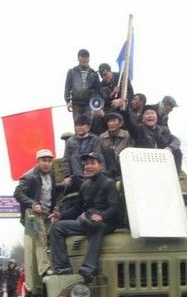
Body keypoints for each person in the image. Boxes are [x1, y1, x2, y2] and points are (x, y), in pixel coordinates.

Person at [49, 152, 121, 283]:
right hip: (87, 220)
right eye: (86, 164)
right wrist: (61, 215)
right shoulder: (85, 185)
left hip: (105, 222)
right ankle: (63, 267)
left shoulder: (109, 183)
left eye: (92, 163)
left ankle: (89, 267)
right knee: (56, 228)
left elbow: (115, 207)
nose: (88, 166)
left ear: (101, 166)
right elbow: (77, 209)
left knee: (95, 226)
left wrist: (102, 216)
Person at [14, 148, 61, 276]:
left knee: (52, 238)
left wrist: (65, 184)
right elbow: (17, 193)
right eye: (44, 160)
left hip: (46, 214)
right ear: (38, 161)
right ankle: (44, 270)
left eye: (49, 161)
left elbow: (51, 189)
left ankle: (56, 265)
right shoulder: (29, 177)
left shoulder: (51, 174)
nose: (47, 163)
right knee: (40, 240)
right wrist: (33, 204)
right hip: (32, 214)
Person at [129, 105, 182, 172]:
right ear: (142, 118)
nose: (150, 115)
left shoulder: (164, 130)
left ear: (157, 118)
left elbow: (176, 140)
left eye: (152, 113)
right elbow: (128, 121)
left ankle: (175, 174)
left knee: (177, 151)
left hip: (161, 162)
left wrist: (170, 148)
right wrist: (124, 108)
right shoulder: (138, 129)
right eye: (147, 114)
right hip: (144, 162)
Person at [63, 117, 101, 187]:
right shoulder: (69, 141)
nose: (79, 127)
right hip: (76, 175)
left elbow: (97, 155)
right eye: (77, 125)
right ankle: (82, 183)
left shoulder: (95, 139)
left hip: (91, 170)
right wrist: (67, 176)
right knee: (74, 157)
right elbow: (66, 159)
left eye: (82, 125)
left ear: (88, 127)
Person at [64, 48, 100, 122]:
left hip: (89, 104)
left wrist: (95, 103)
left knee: (90, 124)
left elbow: (98, 90)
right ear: (78, 58)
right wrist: (68, 101)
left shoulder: (94, 73)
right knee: (78, 124)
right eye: (82, 57)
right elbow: (67, 88)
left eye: (86, 57)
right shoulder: (71, 72)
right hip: (76, 103)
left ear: (89, 59)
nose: (84, 59)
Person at [98, 111, 133, 180]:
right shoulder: (102, 137)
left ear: (120, 123)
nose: (111, 124)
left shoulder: (127, 135)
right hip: (108, 168)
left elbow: (130, 152)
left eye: (114, 121)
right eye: (109, 121)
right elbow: (100, 154)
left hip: (124, 165)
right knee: (108, 152)